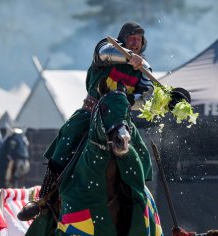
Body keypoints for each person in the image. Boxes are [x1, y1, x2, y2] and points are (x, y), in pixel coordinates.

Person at [19, 21, 188, 220]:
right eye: (131, 38)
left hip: (120, 118)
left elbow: (145, 98)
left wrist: (169, 102)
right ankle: (44, 200)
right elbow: (104, 52)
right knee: (66, 140)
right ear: (123, 39)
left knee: (141, 154)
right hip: (92, 112)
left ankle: (142, 203)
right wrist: (128, 58)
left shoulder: (144, 69)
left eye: (139, 40)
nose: (135, 43)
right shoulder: (107, 49)